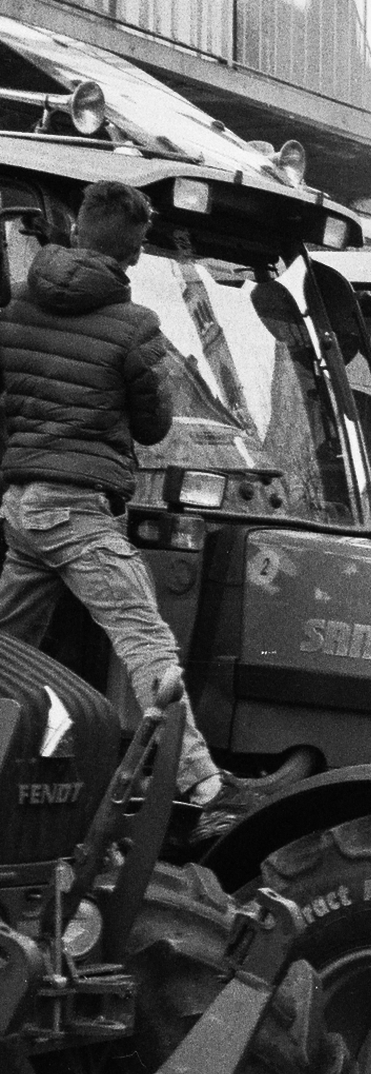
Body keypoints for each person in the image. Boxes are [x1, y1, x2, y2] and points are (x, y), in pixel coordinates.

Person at [0, 181, 246, 825]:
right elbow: (153, 426)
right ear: (126, 246)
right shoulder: (135, 325)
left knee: (4, 647)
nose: (138, 258)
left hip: (23, 507)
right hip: (78, 511)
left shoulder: (18, 308)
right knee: (145, 640)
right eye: (138, 245)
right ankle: (204, 785)